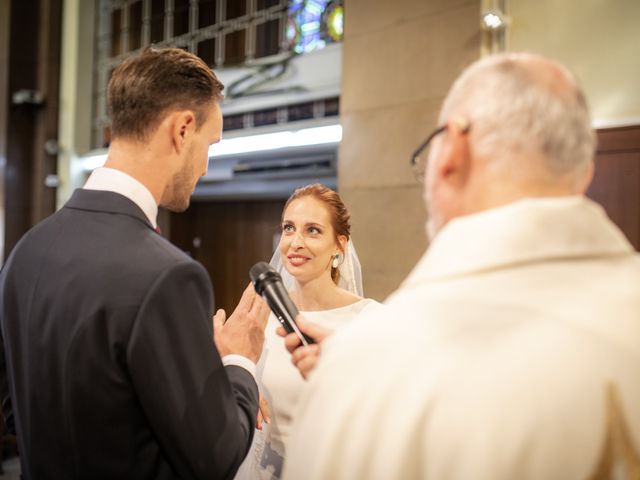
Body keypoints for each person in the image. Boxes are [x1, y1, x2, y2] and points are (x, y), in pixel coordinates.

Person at [281, 52, 640, 479]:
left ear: (452, 149)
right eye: (288, 228)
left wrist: (352, 371)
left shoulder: (364, 369)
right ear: (583, 175)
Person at [0, 47, 270, 479]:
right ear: (183, 129)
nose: (204, 166)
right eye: (210, 144)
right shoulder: (168, 274)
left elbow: (17, 412)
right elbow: (215, 459)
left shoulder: (26, 250)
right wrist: (237, 362)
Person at [235, 184, 381, 480]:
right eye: (289, 228)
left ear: (339, 245)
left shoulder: (371, 321)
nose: (295, 242)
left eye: (312, 230)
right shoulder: (261, 315)